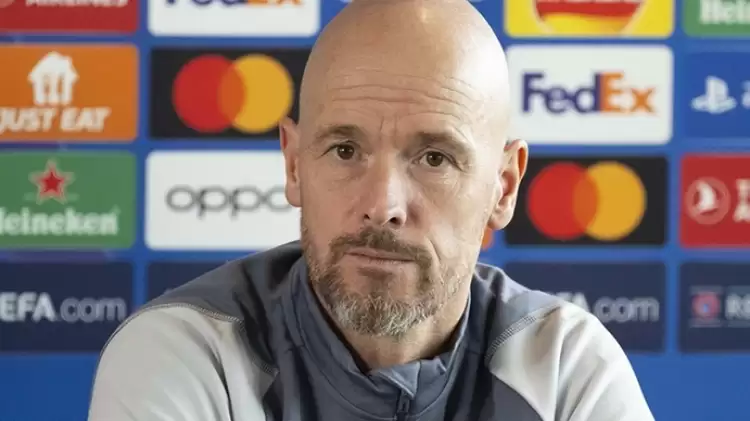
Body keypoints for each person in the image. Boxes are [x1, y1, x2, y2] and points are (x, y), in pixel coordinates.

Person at [87, 0, 655, 420]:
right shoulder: (188, 353)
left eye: (434, 158)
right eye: (344, 150)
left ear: (503, 187)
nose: (382, 205)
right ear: (294, 165)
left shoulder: (563, 368)